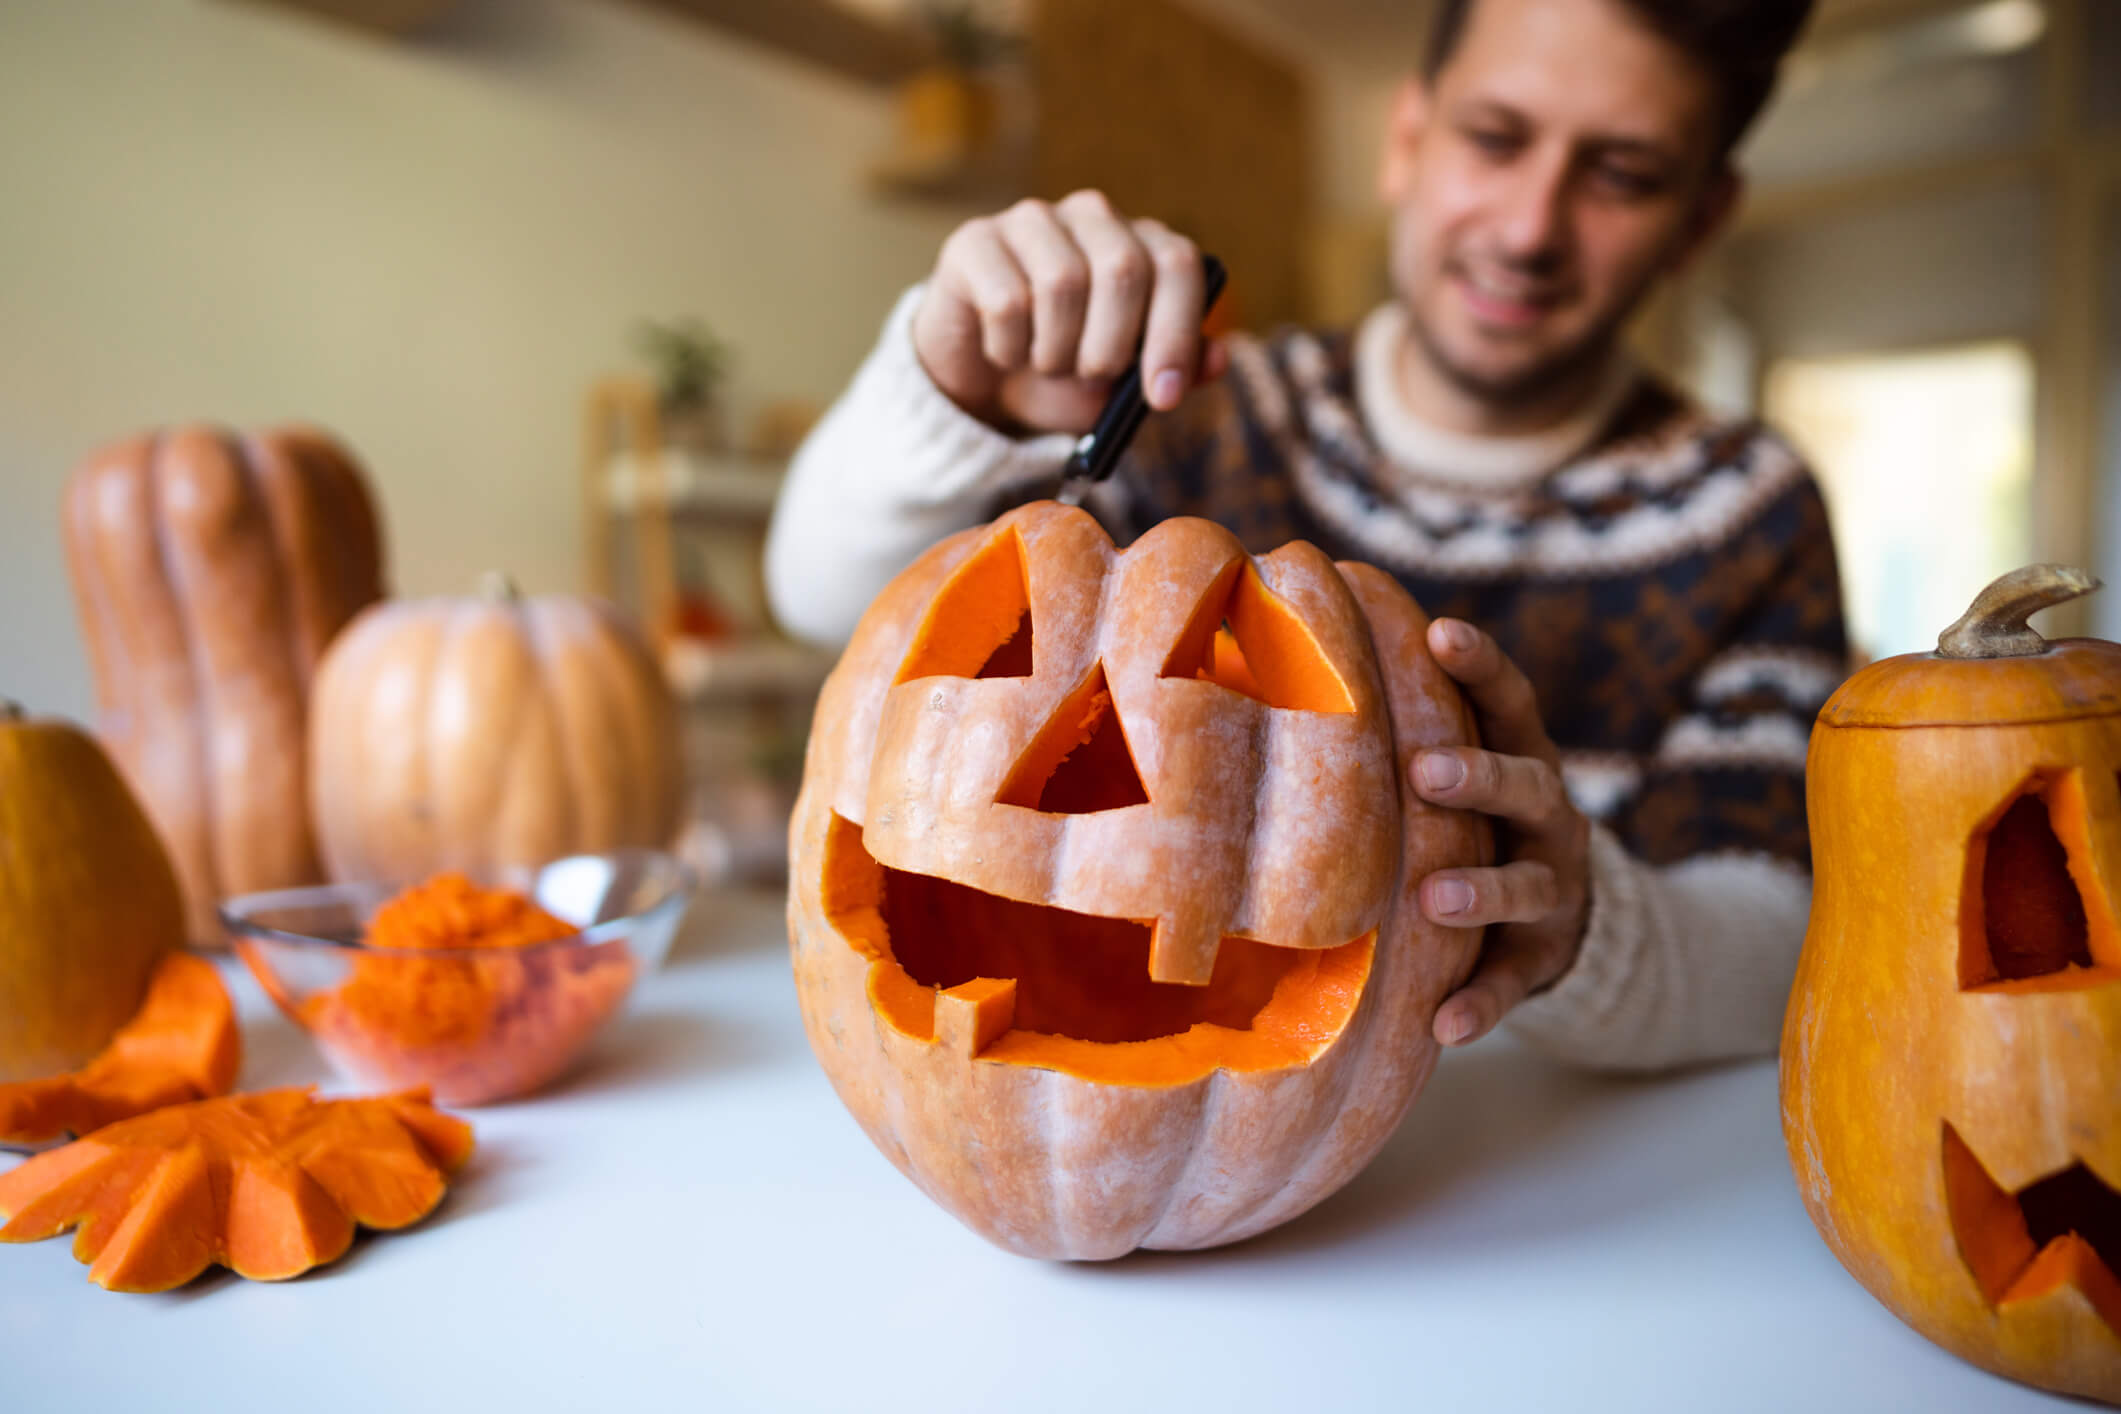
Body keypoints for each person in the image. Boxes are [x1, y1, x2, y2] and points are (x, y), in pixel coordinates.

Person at [765, 0, 1847, 1072]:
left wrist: (1586, 924)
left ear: (1701, 220)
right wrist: (951, 396)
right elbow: (828, 606)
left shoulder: (1749, 508)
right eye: (1494, 138)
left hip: (1568, 1173)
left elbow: (1776, 928)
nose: (1529, 228)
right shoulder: (1192, 415)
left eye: (1622, 175)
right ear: (1408, 142)